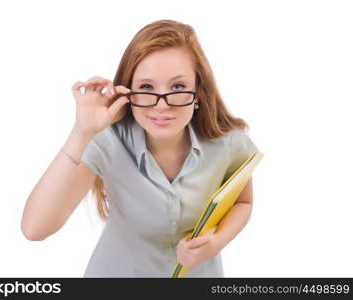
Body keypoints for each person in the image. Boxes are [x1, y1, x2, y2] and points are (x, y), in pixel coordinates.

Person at [21, 19, 258, 277]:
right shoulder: (107, 141)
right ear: (128, 92)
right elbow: (35, 229)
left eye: (177, 87)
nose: (162, 105)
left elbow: (243, 202)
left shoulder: (228, 142)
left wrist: (216, 242)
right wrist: (82, 132)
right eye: (146, 87)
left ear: (198, 91)